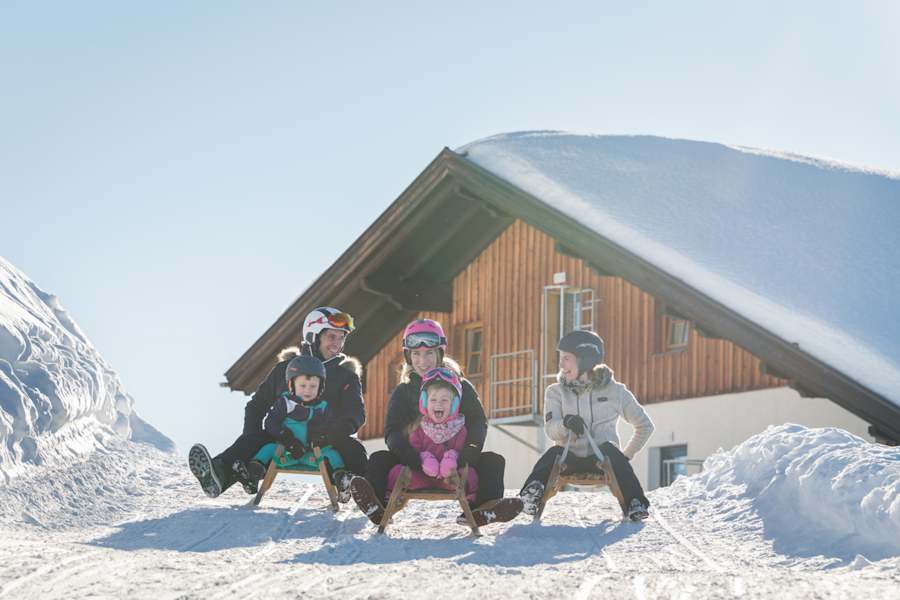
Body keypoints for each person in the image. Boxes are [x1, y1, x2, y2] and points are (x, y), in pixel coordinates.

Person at [350, 319, 522, 526]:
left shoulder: (460, 386)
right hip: (415, 461)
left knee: (493, 461)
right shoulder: (403, 391)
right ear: (408, 356)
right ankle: (377, 506)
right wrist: (415, 458)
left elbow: (478, 423)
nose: (423, 361)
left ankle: (485, 509)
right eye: (416, 354)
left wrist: (465, 456)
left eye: (429, 353)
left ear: (440, 353)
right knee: (379, 459)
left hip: (456, 461)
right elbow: (393, 432)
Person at [189, 307, 367, 502]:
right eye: (331, 337)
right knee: (250, 441)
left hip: (326, 443)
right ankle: (219, 475)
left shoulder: (345, 376)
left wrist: (328, 434)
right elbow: (257, 406)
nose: (337, 343)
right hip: (284, 440)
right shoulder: (285, 370)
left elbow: (355, 414)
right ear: (313, 337)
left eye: (341, 338)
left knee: (355, 449)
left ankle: (363, 492)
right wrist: (253, 436)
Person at [519, 330, 654, 521]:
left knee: (611, 451)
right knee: (552, 453)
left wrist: (626, 456)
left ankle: (635, 502)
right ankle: (530, 495)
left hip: (602, 461)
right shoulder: (555, 392)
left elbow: (645, 426)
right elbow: (550, 430)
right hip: (568, 458)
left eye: (566, 358)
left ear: (585, 360)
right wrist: (565, 424)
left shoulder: (615, 391)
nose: (561, 365)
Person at [234, 355, 349, 490]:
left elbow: (332, 425)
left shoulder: (322, 407)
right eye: (302, 385)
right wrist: (286, 438)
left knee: (334, 455)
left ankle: (342, 483)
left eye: (313, 386)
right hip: (286, 452)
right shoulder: (285, 402)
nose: (307, 390)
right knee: (268, 449)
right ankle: (252, 477)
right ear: (292, 385)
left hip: (313, 455)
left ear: (320, 387)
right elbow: (271, 422)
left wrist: (322, 437)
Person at [385, 367, 478, 502]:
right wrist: (424, 457)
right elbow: (415, 448)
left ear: (454, 404)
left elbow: (462, 450)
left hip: (450, 479)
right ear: (424, 403)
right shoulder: (420, 427)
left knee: (471, 474)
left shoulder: (460, 428)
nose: (438, 404)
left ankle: (472, 502)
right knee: (397, 471)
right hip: (422, 476)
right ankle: (389, 498)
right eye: (433, 400)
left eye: (444, 400)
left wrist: (453, 457)